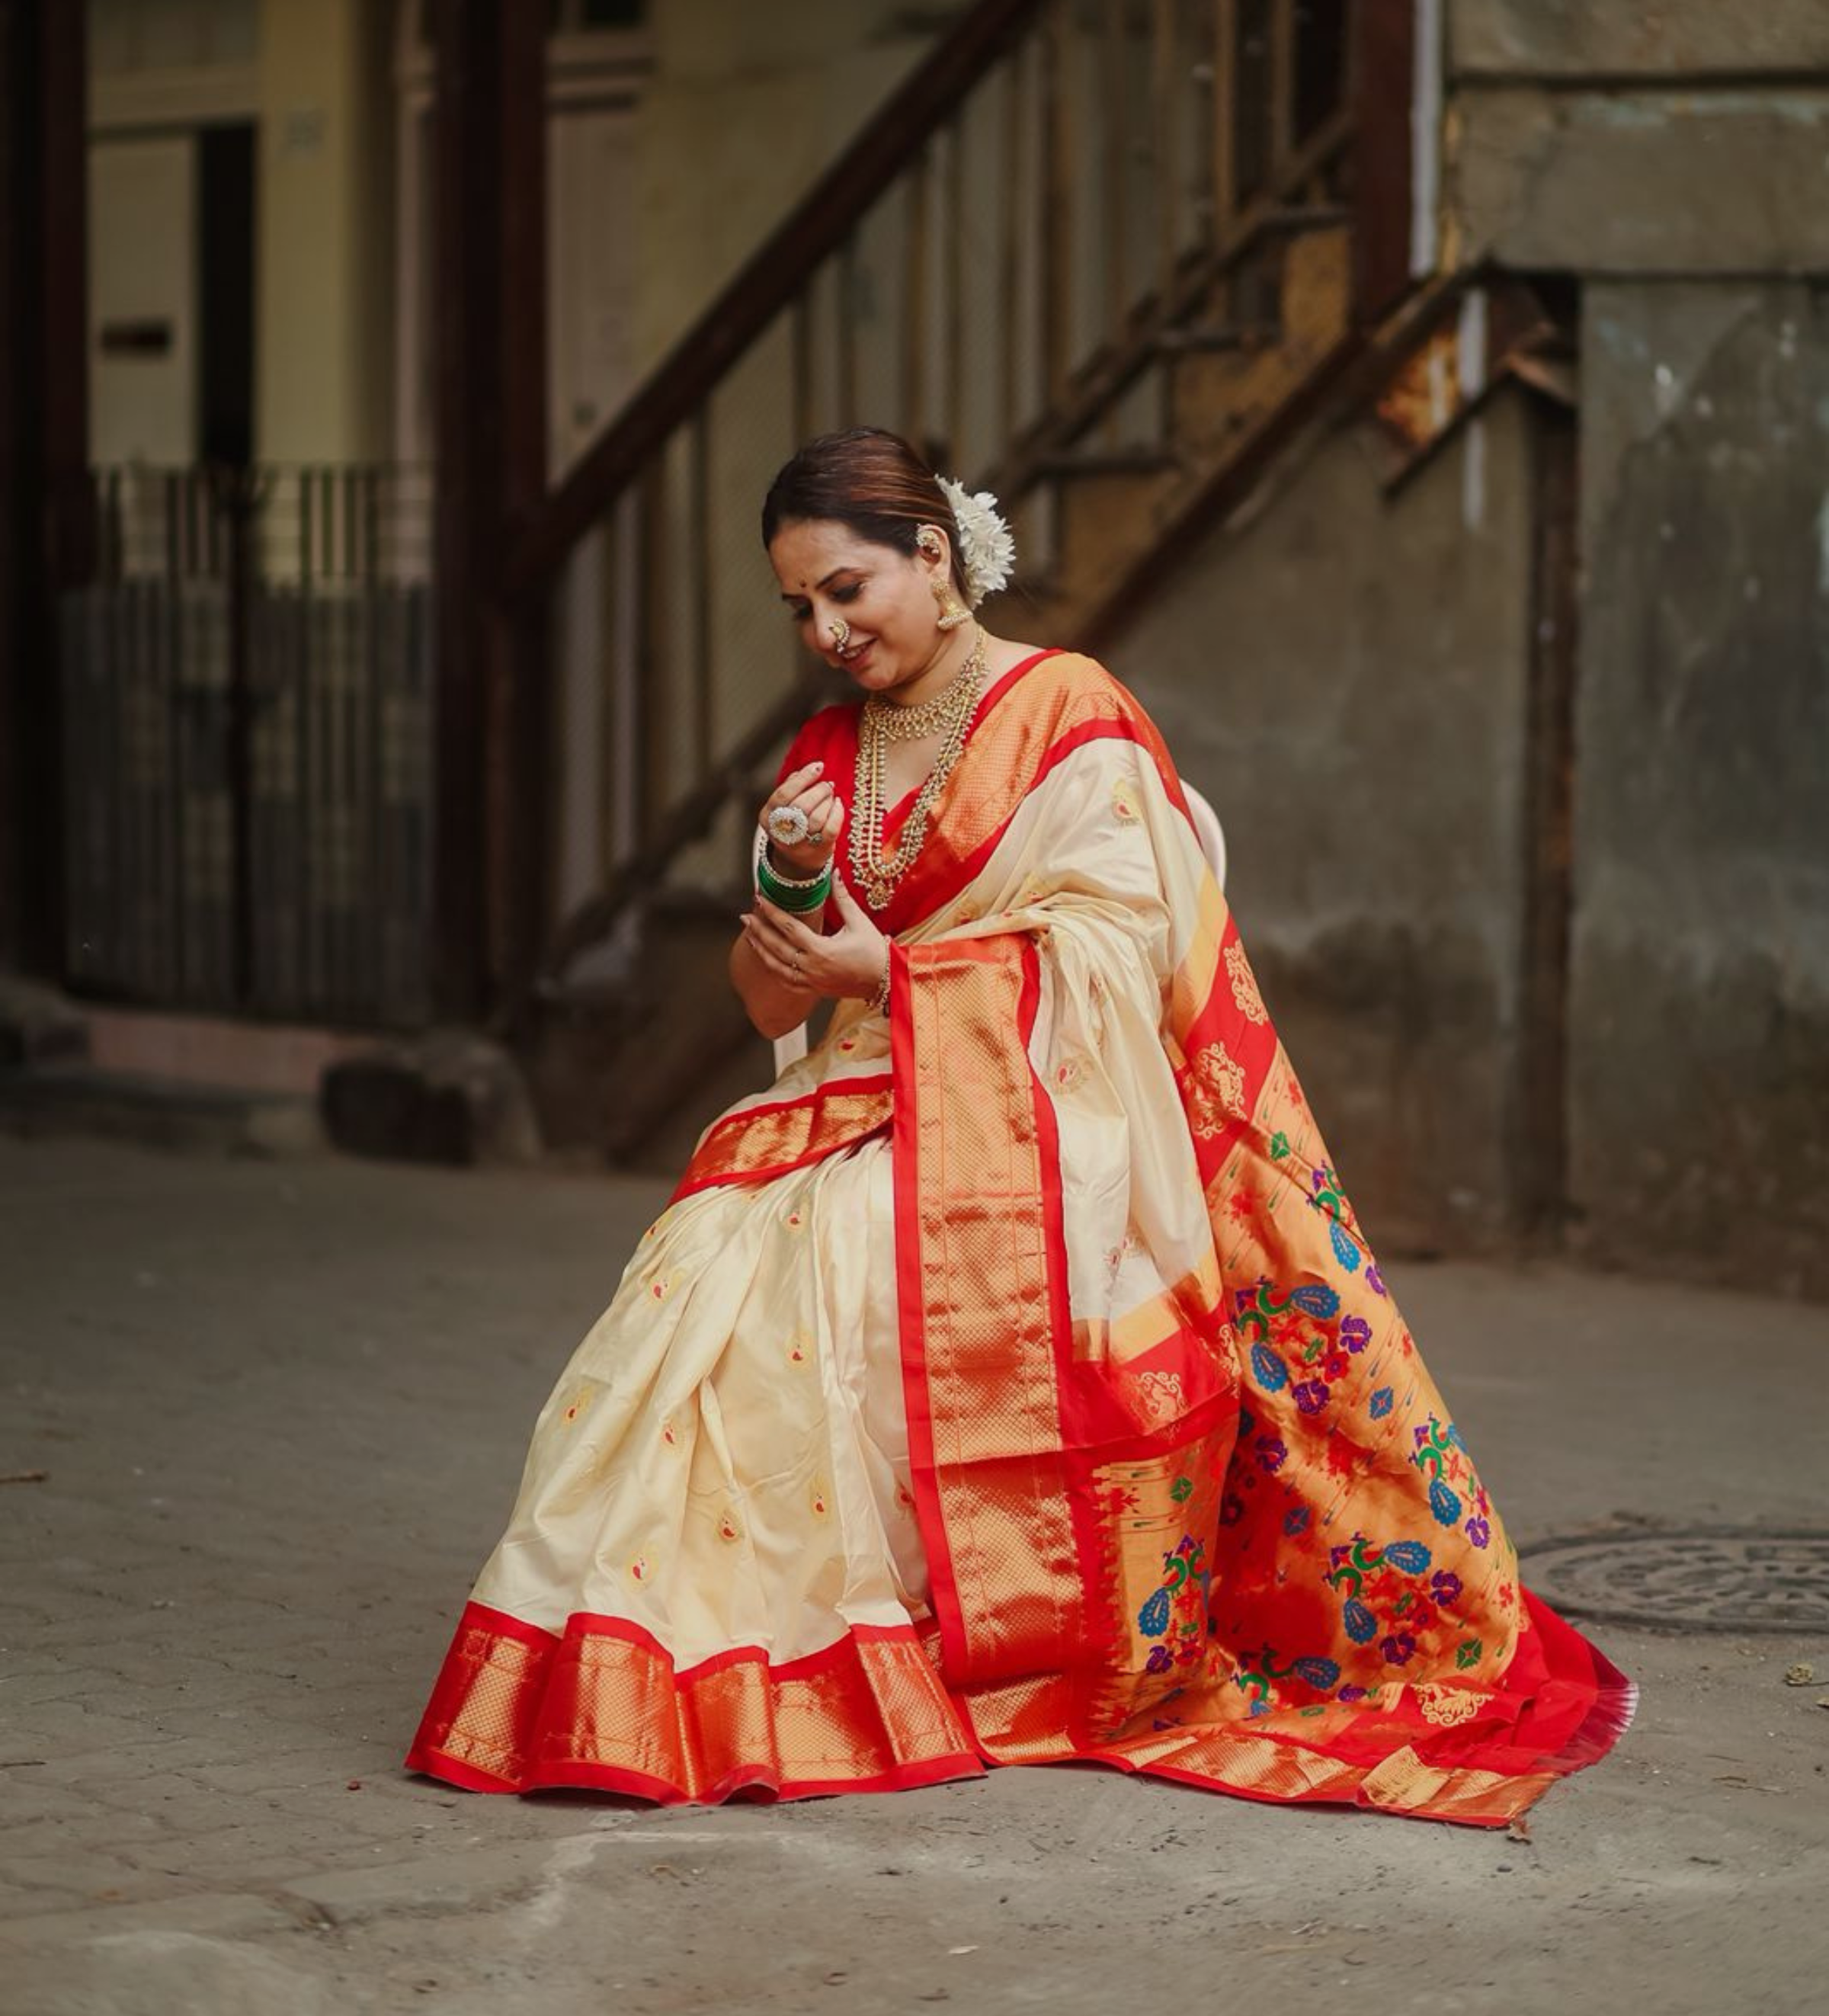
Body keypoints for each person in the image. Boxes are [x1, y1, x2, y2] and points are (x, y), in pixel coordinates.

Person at [406, 428, 1632, 1825]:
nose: (825, 631)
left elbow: (1122, 949)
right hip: (865, 1091)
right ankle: (693, 1656)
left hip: (1057, 1110)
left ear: (934, 558)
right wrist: (797, 876)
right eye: (799, 607)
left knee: (853, 1259)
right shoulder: (828, 756)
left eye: (847, 591)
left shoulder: (1067, 709)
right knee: (700, 1264)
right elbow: (763, 993)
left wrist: (894, 975)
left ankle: (883, 1647)